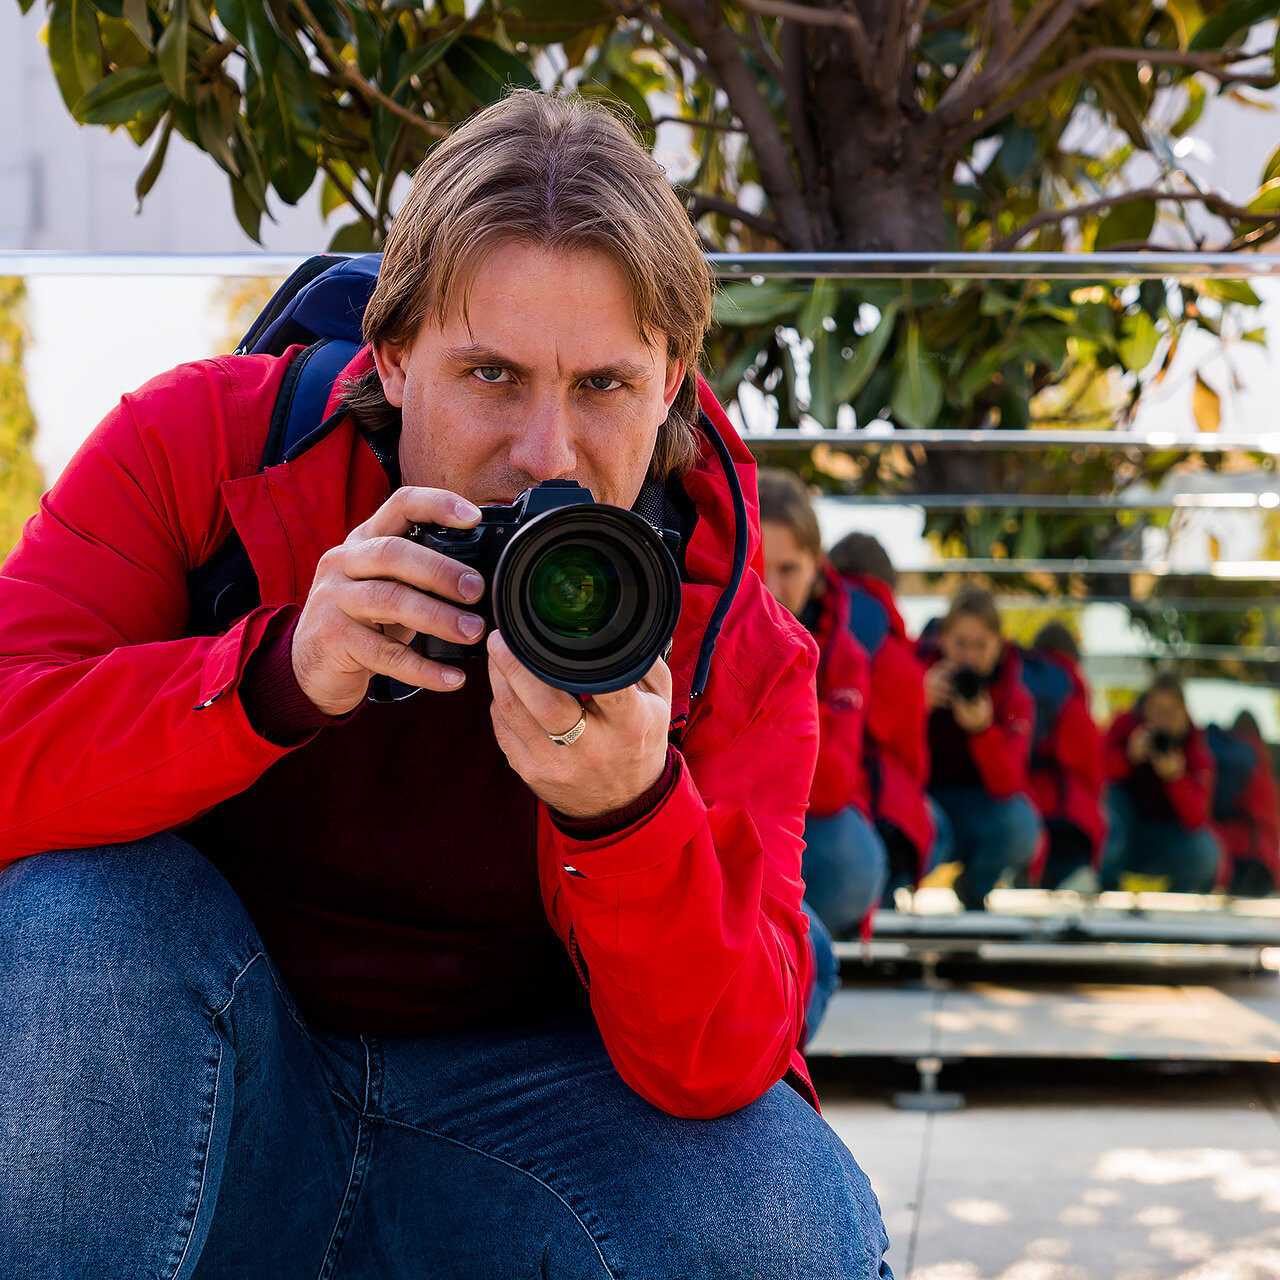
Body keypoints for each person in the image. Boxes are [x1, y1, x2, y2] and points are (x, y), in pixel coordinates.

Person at [0, 92, 891, 1279]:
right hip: (210, 1089)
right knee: (75, 927)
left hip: (518, 1136)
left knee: (781, 1220)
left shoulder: (734, 629)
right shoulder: (204, 449)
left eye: (603, 388)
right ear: (392, 352)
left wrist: (626, 812)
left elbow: (721, 1061)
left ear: (673, 379)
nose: (546, 453)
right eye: (490, 373)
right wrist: (273, 674)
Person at [917, 585, 1043, 909]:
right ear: (942, 639)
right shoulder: (916, 671)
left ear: (998, 646)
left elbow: (1008, 784)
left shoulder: (1015, 697)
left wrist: (983, 732)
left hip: (979, 808)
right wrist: (916, 703)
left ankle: (975, 887)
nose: (969, 658)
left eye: (980, 646)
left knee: (1021, 823)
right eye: (960, 644)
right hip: (925, 800)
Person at [829, 532, 938, 899]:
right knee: (935, 825)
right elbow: (914, 764)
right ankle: (883, 899)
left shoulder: (805, 622)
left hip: (805, 798)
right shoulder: (901, 662)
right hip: (868, 815)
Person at [1102, 671, 1220, 894]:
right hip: (1123, 837)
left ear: (1184, 715)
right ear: (1145, 709)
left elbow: (1197, 818)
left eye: (1170, 713)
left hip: (1166, 840)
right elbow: (1096, 779)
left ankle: (1183, 904)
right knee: (1110, 799)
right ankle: (1105, 887)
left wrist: (1176, 779)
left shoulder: (1196, 749)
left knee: (1205, 848)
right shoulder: (1125, 727)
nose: (1163, 722)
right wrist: (1128, 758)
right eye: (1157, 711)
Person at [1022, 622, 1106, 892]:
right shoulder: (1072, 687)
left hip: (1027, 809)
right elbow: (1089, 761)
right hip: (1069, 816)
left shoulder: (1019, 679)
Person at [1207, 711, 1280, 897]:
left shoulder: (1218, 756)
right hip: (1254, 861)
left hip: (1218, 856)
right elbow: (1266, 815)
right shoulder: (1256, 756)